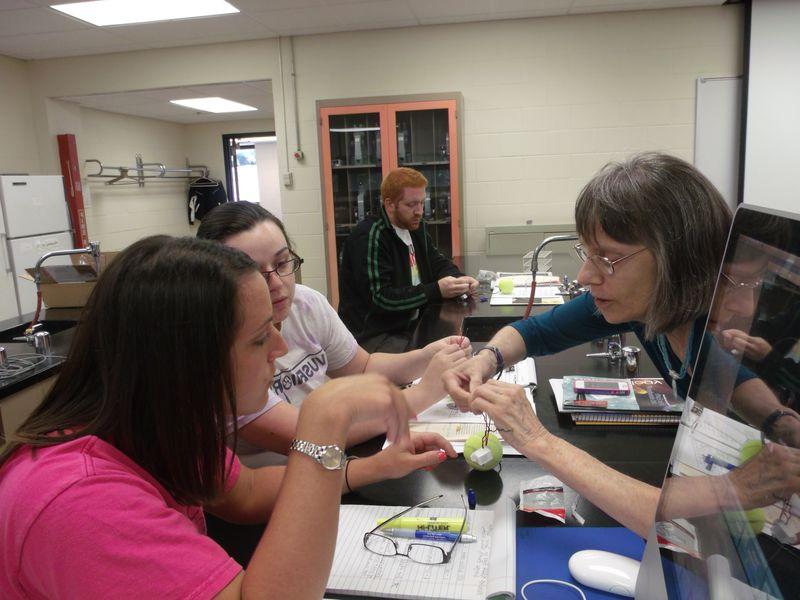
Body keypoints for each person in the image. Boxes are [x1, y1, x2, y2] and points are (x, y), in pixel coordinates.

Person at [0, 236, 455, 599]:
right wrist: (323, 421)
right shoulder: (79, 500)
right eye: (260, 339)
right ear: (185, 360)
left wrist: (373, 467)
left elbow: (247, 493)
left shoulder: (161, 422)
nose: (280, 351)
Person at [443, 153, 800, 536]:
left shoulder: (708, 319)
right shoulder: (646, 305)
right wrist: (486, 359)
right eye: (588, 252)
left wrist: (535, 438)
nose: (585, 275)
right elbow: (536, 332)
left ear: (677, 261)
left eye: (608, 258)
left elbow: (649, 512)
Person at [197, 202, 470, 460]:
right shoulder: (221, 349)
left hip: (328, 461)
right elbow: (307, 438)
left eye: (281, 263)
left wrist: (426, 357)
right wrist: (422, 394)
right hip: (284, 477)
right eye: (255, 273)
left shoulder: (304, 303)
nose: (277, 283)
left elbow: (362, 367)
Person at [338, 167, 479, 351]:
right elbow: (381, 299)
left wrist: (458, 279)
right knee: (439, 358)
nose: (419, 211)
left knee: (458, 345)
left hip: (409, 323)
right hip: (374, 335)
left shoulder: (415, 227)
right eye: (411, 205)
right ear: (390, 205)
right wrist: (436, 290)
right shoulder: (370, 237)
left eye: (422, 203)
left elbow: (436, 262)